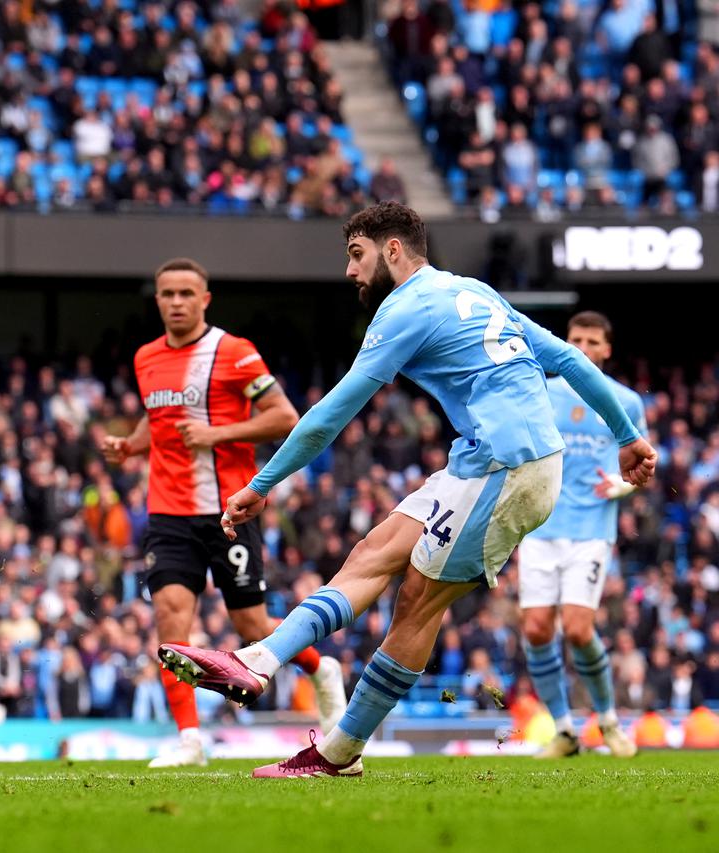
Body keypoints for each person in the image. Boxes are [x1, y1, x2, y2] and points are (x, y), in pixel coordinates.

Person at [157, 203, 657, 778]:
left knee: (418, 602)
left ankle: (337, 753)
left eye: (356, 254)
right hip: (480, 460)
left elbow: (330, 415)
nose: (349, 271)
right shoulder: (473, 291)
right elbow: (567, 358)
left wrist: (263, 483)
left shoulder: (403, 309)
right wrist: (628, 435)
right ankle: (256, 659)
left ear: (392, 250)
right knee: (372, 554)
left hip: (509, 466)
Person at [103, 257, 347, 768]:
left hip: (227, 510)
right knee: (170, 617)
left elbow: (284, 417)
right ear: (157, 300)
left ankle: (320, 667)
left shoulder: (233, 353)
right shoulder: (146, 357)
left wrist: (217, 434)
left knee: (250, 624)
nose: (175, 302)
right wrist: (131, 446)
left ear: (205, 299)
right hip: (167, 511)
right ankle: (190, 740)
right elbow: (159, 420)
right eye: (167, 294)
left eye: (185, 294)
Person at [519, 311, 644, 759]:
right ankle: (565, 731)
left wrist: (623, 485)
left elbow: (640, 465)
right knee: (535, 629)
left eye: (593, 342)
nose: (584, 349)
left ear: (607, 349)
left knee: (576, 628)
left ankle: (608, 720)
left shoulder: (626, 402)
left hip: (590, 529)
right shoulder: (541, 393)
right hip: (539, 525)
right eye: (576, 340)